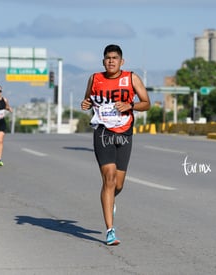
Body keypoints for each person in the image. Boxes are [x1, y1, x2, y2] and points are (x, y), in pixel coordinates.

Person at [81, 44, 151, 245]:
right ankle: (110, 230)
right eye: (107, 58)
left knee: (118, 184)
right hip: (103, 132)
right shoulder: (95, 79)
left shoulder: (131, 78)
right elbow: (88, 101)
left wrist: (131, 105)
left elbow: (147, 103)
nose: (111, 61)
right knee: (109, 179)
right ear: (103, 61)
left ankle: (110, 200)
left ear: (122, 61)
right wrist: (85, 104)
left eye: (115, 58)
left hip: (125, 132)